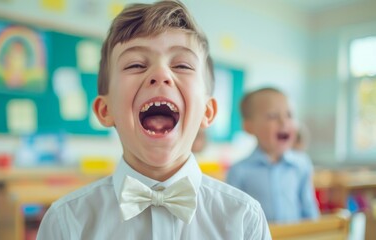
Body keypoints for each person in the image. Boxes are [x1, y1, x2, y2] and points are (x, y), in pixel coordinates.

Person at [37, 1, 271, 239]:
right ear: (105, 110)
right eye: (136, 64)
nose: (160, 74)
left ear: (206, 112)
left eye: (181, 65)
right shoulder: (65, 222)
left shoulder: (245, 219)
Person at [226, 87, 320, 223]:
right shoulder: (239, 170)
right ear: (249, 127)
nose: (283, 122)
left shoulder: (302, 164)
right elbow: (232, 218)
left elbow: (309, 210)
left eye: (289, 115)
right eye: (272, 116)